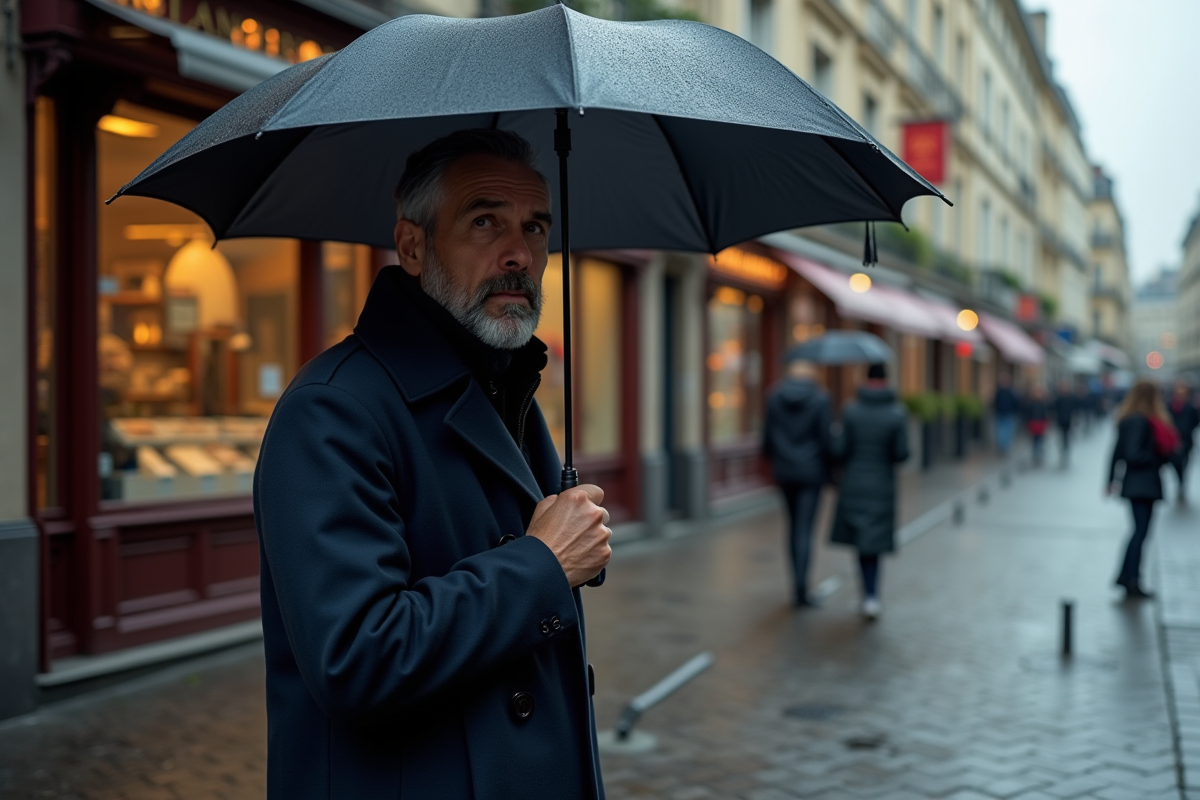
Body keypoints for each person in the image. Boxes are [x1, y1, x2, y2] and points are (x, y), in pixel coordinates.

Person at [254, 130, 610, 799]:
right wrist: (544, 564)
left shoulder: (507, 387)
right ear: (413, 246)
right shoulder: (333, 410)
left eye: (535, 227)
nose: (519, 255)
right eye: (485, 222)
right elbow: (356, 656)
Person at [830, 362, 909, 620]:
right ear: (886, 381)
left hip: (854, 484)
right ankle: (872, 596)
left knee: (860, 542)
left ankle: (866, 593)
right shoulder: (897, 413)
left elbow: (841, 450)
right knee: (874, 543)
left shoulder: (851, 411)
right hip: (881, 485)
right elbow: (901, 454)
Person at [763, 358, 833, 607]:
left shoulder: (773, 396)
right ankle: (802, 589)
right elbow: (826, 440)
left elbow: (767, 435)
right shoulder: (820, 398)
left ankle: (796, 584)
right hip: (811, 473)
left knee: (793, 529)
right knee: (805, 529)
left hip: (785, 471)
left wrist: (775, 461)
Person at [1106, 380, 1175, 600]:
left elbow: (1116, 452)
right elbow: (1132, 454)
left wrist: (1109, 480)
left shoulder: (1128, 418)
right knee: (1140, 532)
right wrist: (1159, 454)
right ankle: (1132, 579)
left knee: (1138, 531)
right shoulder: (1142, 421)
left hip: (1136, 483)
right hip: (1143, 484)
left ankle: (1126, 576)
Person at [1168, 381, 1199, 502]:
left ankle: (1181, 483)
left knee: (1185, 462)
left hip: (1186, 441)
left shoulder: (1190, 407)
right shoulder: (1170, 405)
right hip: (1174, 441)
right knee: (1176, 463)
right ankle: (1180, 480)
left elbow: (1195, 421)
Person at [992, 373, 1020, 457]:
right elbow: (1016, 402)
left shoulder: (1000, 391)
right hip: (1005, 413)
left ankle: (1003, 446)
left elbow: (995, 402)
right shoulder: (1009, 392)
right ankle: (1004, 446)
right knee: (1005, 431)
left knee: (1003, 430)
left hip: (1005, 413)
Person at [1024, 384, 1050, 467]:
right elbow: (1028, 414)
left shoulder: (1043, 404)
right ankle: (1036, 452)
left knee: (1040, 439)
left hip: (1041, 424)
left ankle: (1038, 452)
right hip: (1033, 423)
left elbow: (1045, 414)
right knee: (1035, 439)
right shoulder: (1031, 404)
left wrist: (1046, 422)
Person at [1052, 378, 1076, 466]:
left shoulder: (1071, 397)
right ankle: (1062, 450)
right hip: (1060, 421)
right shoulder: (1058, 398)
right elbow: (1054, 408)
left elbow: (1074, 408)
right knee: (1061, 437)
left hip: (1068, 421)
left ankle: (1066, 450)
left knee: (1067, 437)